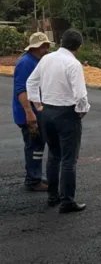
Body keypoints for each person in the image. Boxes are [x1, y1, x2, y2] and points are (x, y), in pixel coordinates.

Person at [26, 29, 90, 213]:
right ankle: (67, 201)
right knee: (69, 160)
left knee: (54, 155)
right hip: (66, 114)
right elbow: (80, 96)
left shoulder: (46, 59)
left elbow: (31, 82)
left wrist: (38, 104)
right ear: (78, 46)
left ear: (61, 42)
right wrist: (82, 111)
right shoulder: (73, 64)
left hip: (47, 112)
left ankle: (52, 196)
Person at [12, 32, 51, 191]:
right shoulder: (25, 63)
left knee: (37, 146)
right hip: (29, 115)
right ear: (35, 47)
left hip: (35, 112)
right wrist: (29, 113)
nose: (46, 49)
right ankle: (33, 180)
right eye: (43, 46)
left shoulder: (35, 61)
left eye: (47, 45)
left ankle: (35, 176)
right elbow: (21, 90)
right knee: (34, 146)